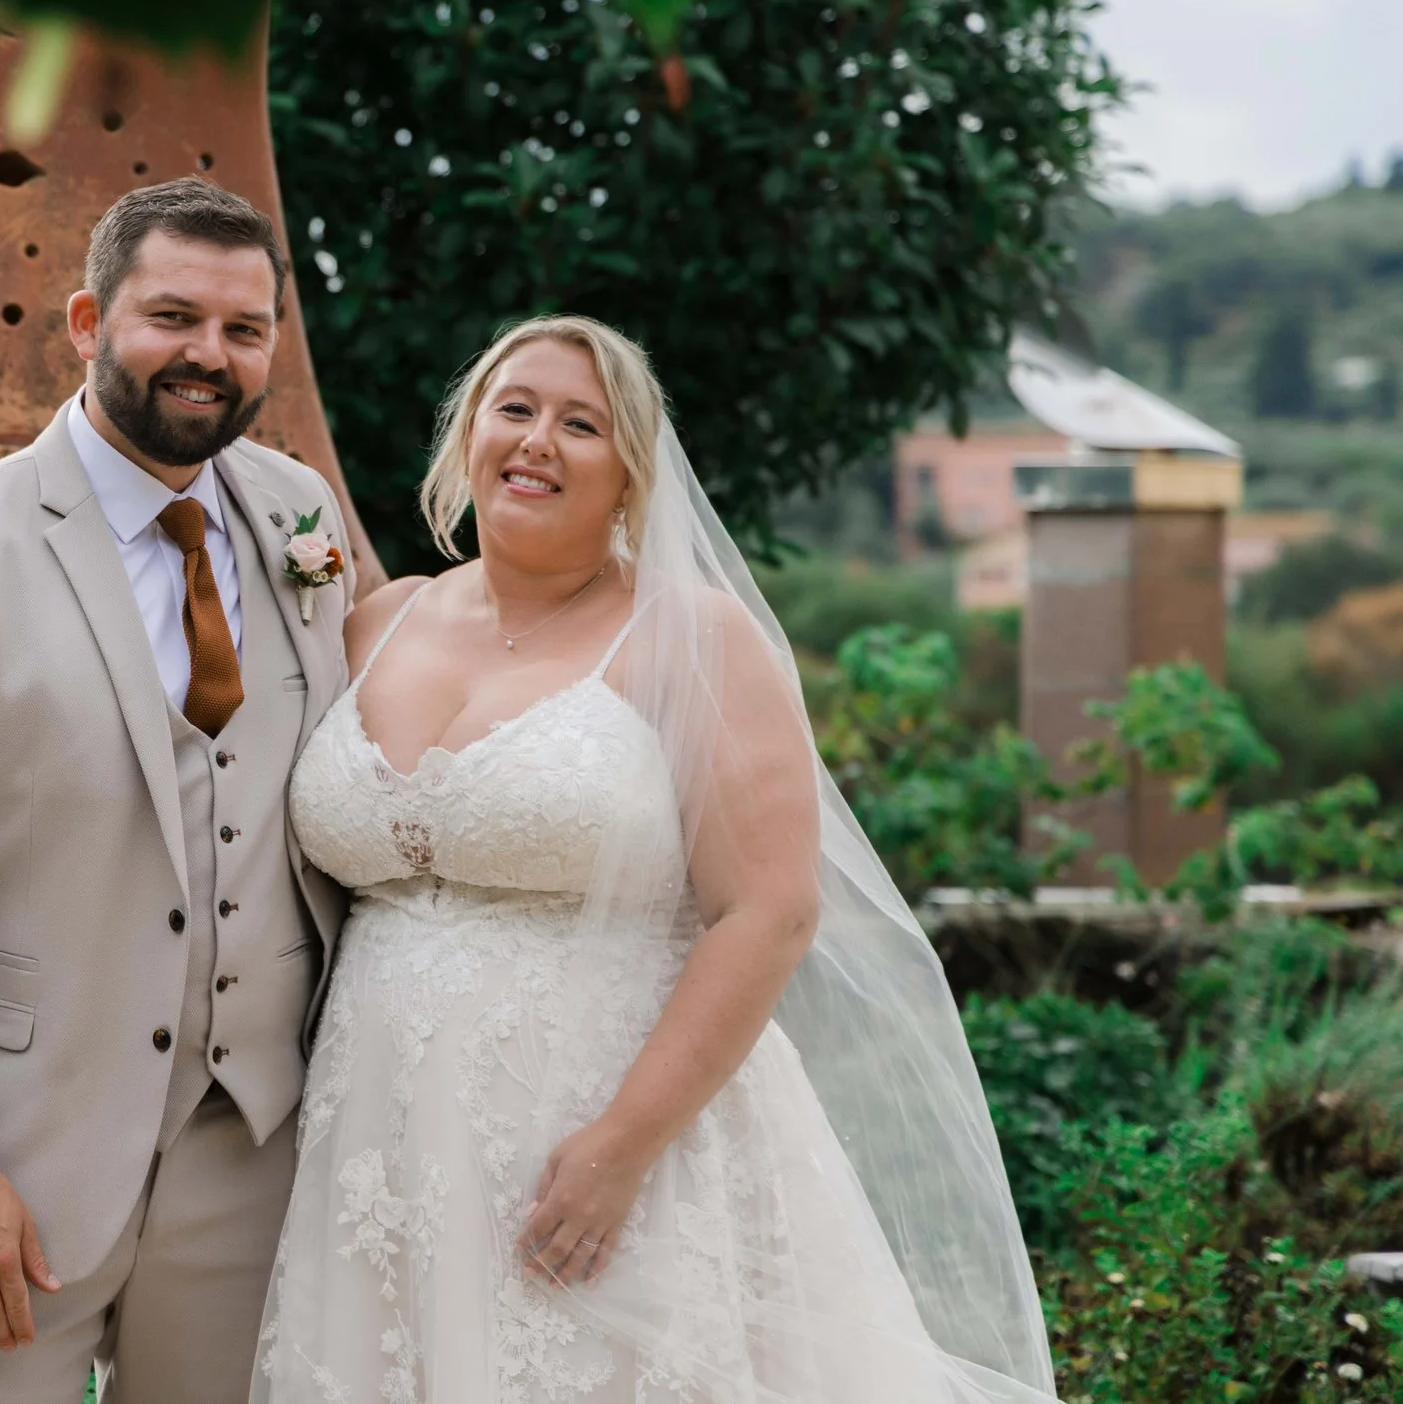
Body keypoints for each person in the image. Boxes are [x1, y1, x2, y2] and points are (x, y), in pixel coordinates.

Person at [255, 316, 1061, 1404]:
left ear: (632, 472)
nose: (539, 439)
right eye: (516, 408)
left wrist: (623, 1143)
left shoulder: (692, 637)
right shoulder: (376, 621)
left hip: (610, 1138)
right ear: (467, 438)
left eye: (580, 424)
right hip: (375, 1138)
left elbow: (768, 910)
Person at [0, 178, 359, 1401]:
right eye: (172, 316)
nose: (207, 355)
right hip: (16, 1150)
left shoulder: (298, 516)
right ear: (85, 321)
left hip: (250, 1149)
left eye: (243, 328)